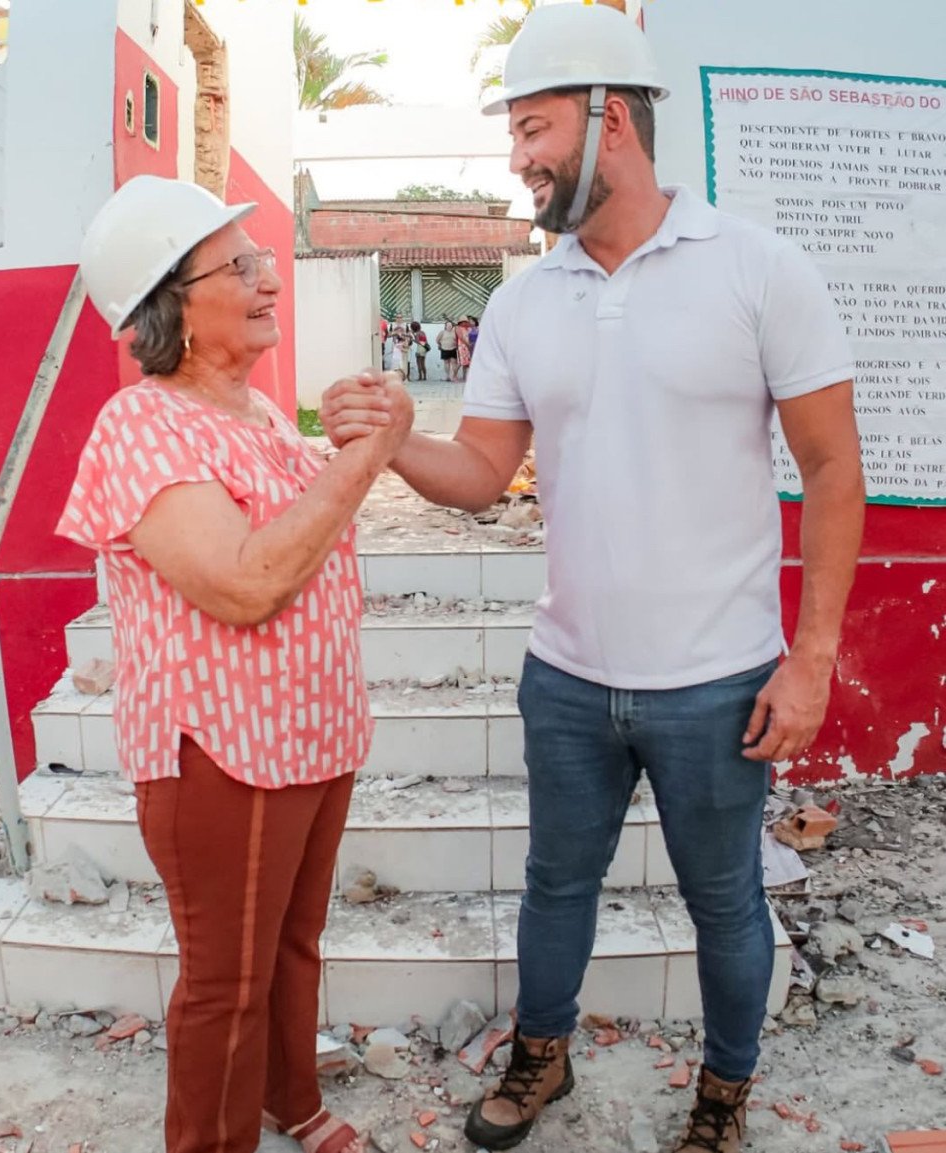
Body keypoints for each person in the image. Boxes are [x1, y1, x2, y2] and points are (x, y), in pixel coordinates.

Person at [319, 6, 864, 1153]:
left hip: (720, 680)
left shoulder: (758, 269)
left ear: (610, 118)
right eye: (514, 134)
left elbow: (830, 471)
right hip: (565, 676)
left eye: (532, 129)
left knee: (724, 902)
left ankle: (722, 1096)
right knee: (554, 886)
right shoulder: (522, 302)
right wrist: (383, 440)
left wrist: (808, 659)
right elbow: (479, 472)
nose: (515, 159)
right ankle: (540, 1058)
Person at [58, 175, 412, 1153]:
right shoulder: (141, 426)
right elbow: (244, 583)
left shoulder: (260, 420)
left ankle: (287, 1099)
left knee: (291, 948)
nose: (267, 279)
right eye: (238, 265)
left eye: (262, 260)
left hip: (315, 729)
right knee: (227, 976)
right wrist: (361, 458)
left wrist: (354, 449)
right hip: (222, 752)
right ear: (170, 303)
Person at [455, 318, 472, 383]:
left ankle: (464, 377)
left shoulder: (468, 328)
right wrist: (467, 344)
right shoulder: (458, 328)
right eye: (463, 322)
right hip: (462, 347)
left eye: (465, 322)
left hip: (468, 346)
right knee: (461, 362)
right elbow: (461, 337)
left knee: (466, 363)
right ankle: (454, 376)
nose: (464, 323)